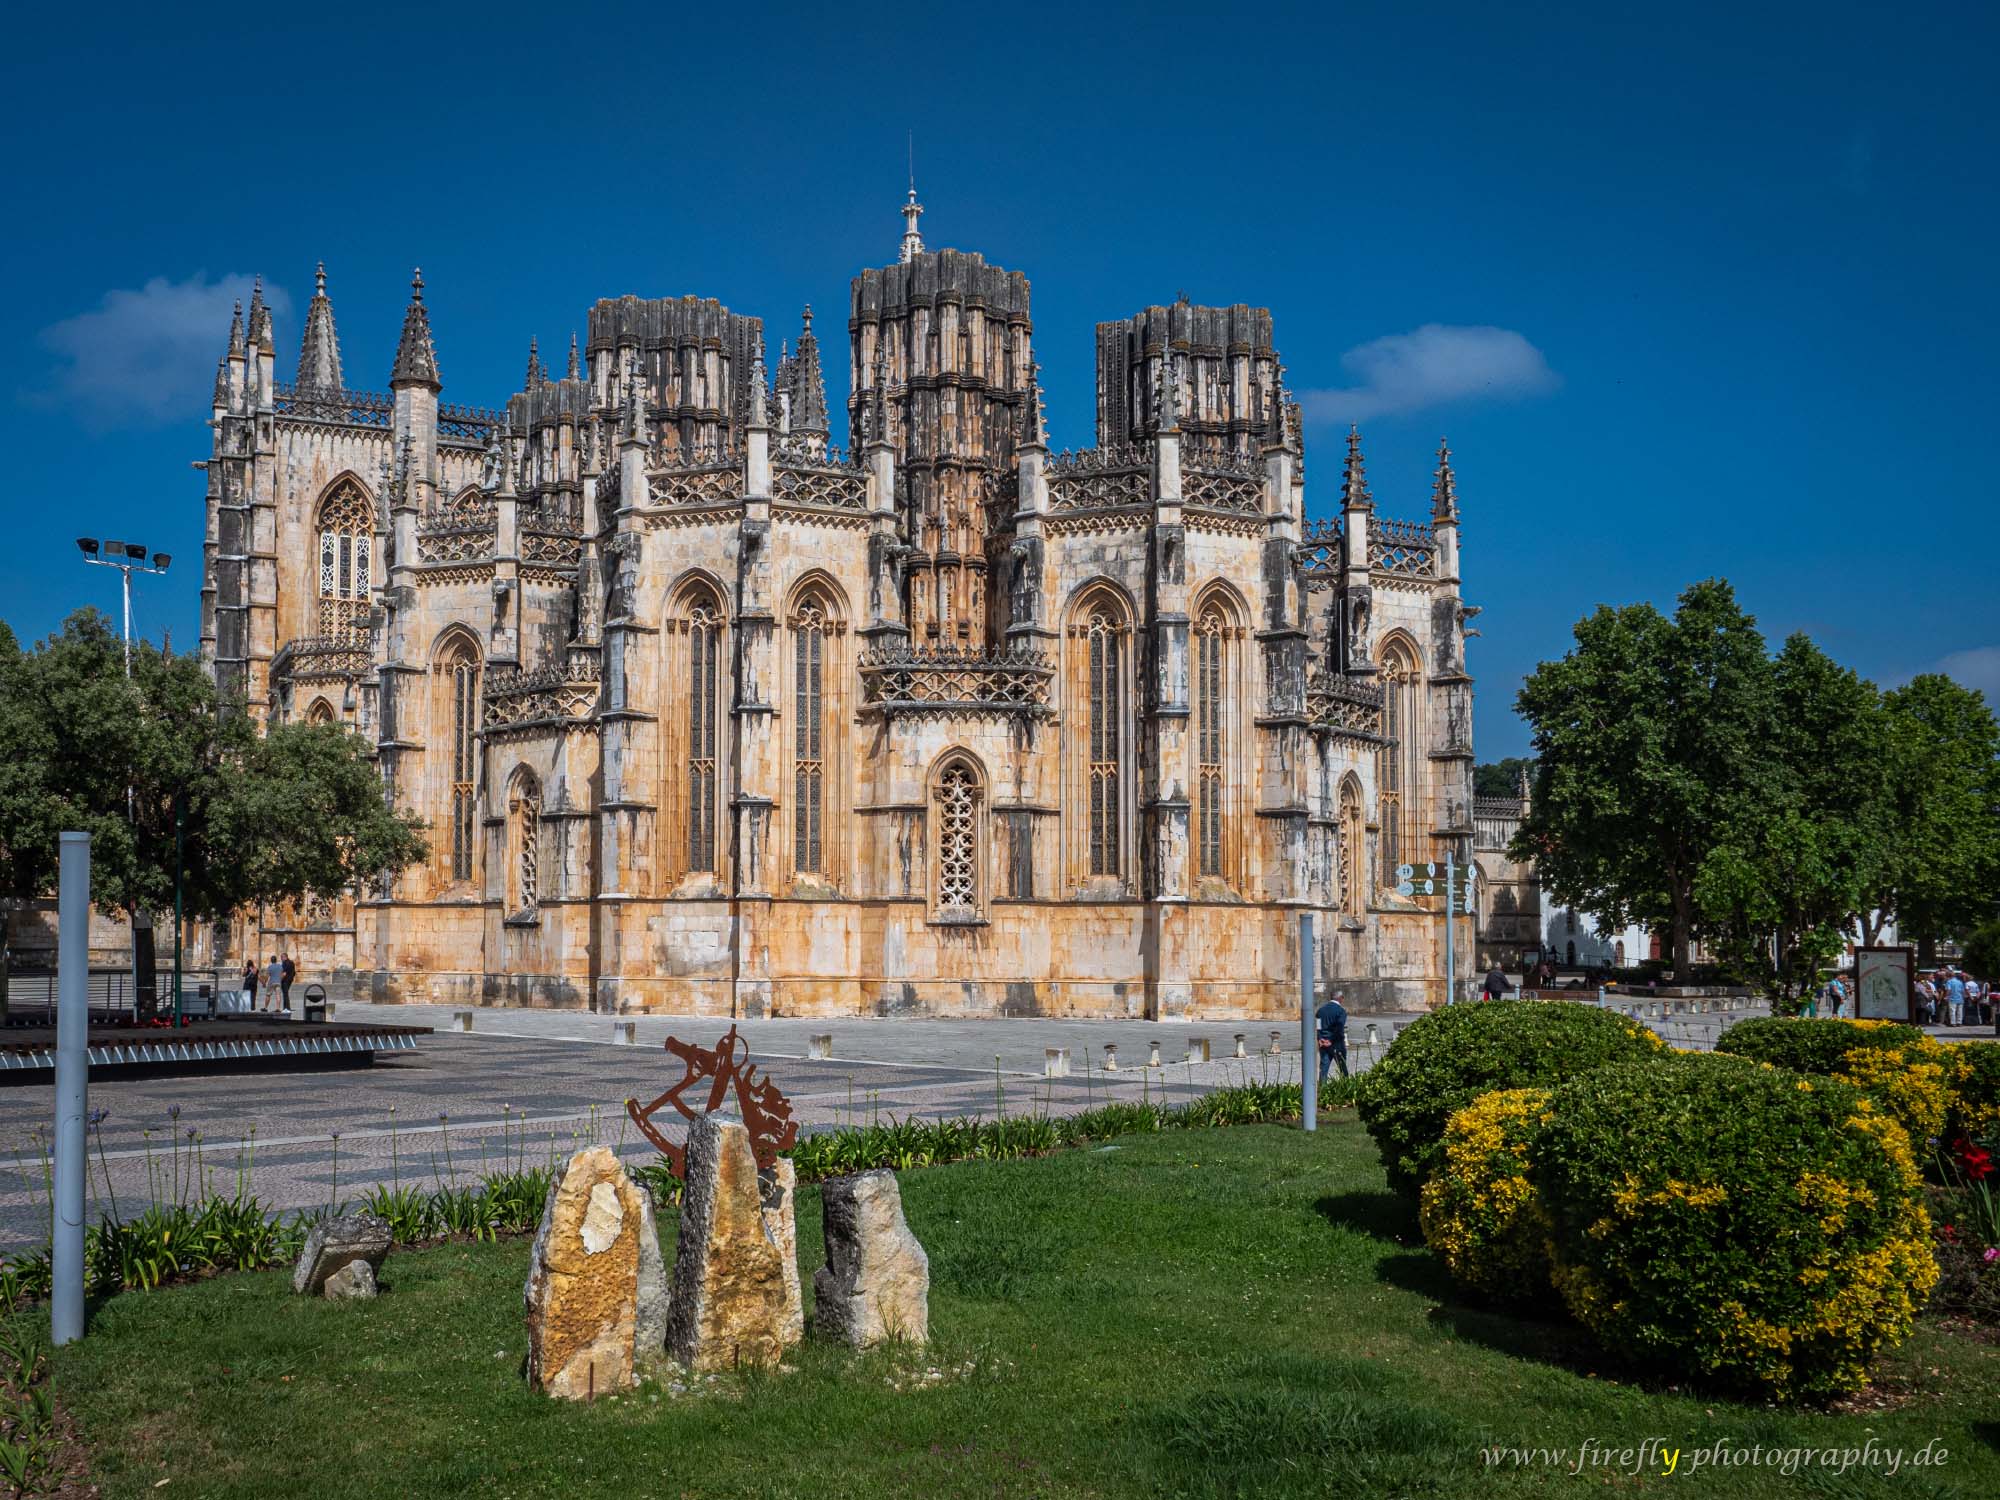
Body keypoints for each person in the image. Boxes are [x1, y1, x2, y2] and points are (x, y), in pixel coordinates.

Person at [1314, 990, 1349, 1082]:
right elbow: (1339, 1027)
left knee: (1324, 1069)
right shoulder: (1341, 1011)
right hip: (1336, 1043)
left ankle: (1323, 1089)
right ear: (1341, 998)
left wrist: (1320, 1039)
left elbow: (1318, 1027)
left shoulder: (1320, 1011)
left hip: (1323, 1043)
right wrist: (1331, 1040)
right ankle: (1346, 1086)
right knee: (1342, 1068)